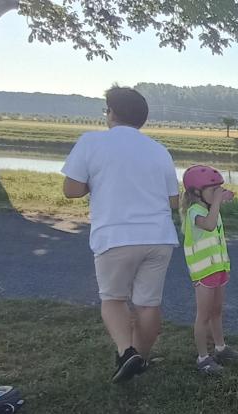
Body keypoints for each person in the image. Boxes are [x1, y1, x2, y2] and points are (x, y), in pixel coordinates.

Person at [62, 86, 179, 383]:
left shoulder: (91, 142)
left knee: (113, 299)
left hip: (115, 235)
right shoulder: (159, 151)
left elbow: (71, 190)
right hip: (159, 236)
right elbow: (173, 201)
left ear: (111, 112)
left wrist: (98, 183)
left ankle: (127, 353)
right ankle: (141, 358)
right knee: (148, 304)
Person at [178, 165, 238, 375]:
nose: (217, 193)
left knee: (217, 311)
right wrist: (217, 200)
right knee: (204, 316)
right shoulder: (194, 212)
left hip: (218, 268)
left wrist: (220, 198)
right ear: (197, 193)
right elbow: (208, 225)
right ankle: (203, 358)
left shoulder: (208, 207)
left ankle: (220, 348)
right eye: (213, 189)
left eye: (219, 189)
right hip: (204, 272)